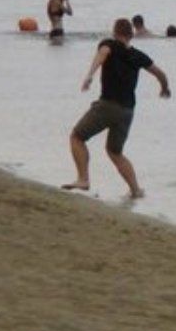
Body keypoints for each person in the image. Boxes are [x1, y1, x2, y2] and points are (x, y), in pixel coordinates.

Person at [62, 18, 170, 198]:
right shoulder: (138, 56)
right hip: (127, 111)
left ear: (114, 32)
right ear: (131, 35)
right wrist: (164, 88)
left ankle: (83, 179)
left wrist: (90, 74)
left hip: (107, 105)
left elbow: (103, 53)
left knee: (77, 136)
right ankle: (136, 190)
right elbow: (160, 74)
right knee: (115, 151)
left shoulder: (109, 44)